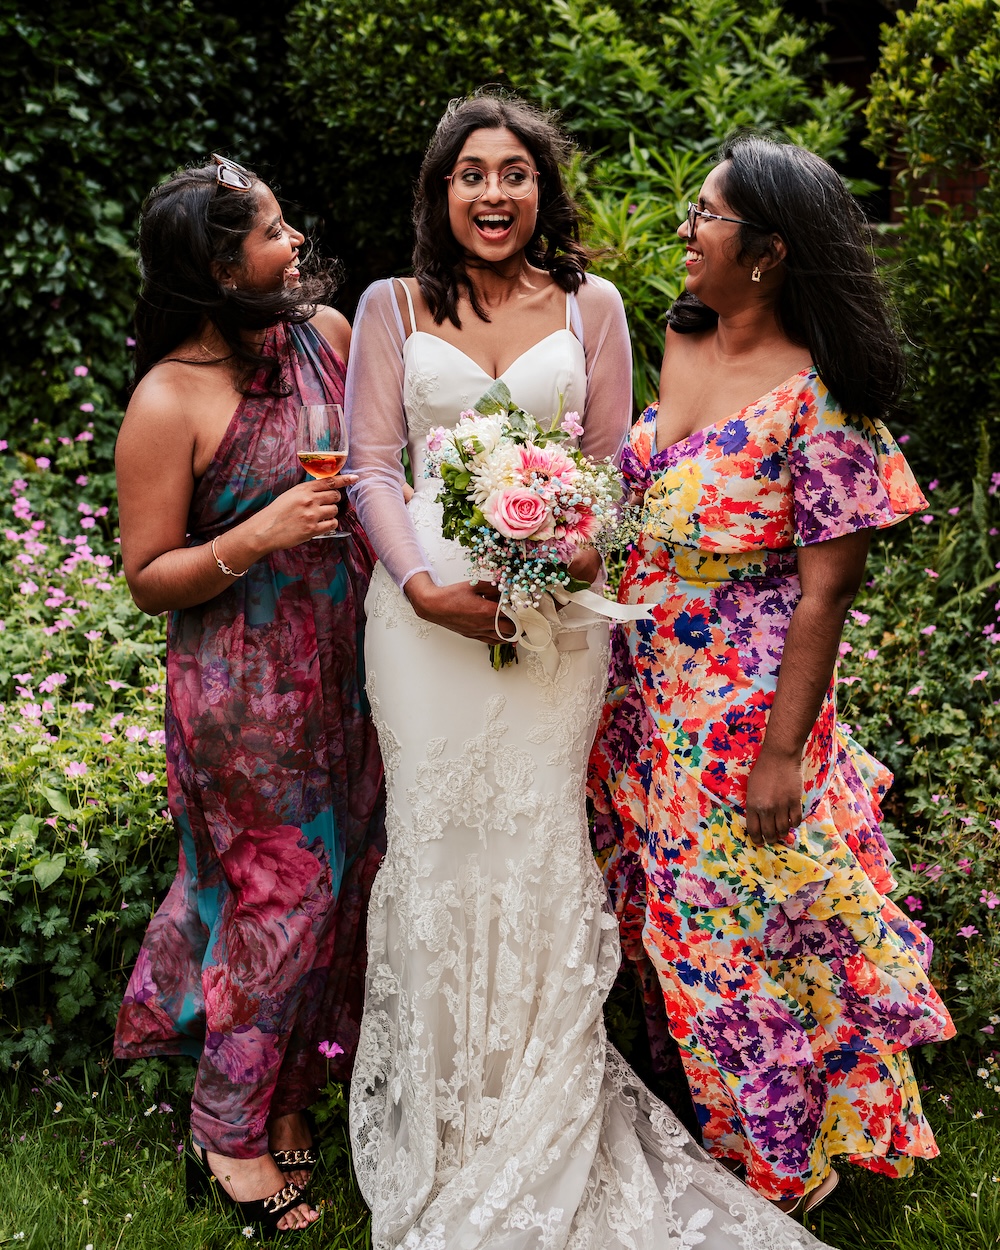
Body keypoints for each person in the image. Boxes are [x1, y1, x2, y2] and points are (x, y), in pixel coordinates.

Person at [345, 93, 834, 1250]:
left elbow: (619, 473)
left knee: (533, 846)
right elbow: (371, 464)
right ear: (439, 192)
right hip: (419, 621)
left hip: (557, 625)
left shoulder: (595, 304)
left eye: (514, 172)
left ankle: (542, 1116)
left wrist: (559, 558)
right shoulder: (390, 304)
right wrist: (424, 587)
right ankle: (449, 1124)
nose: (494, 194)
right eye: (470, 174)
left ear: (542, 188)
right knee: (438, 842)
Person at [589, 132, 956, 1217]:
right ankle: (725, 1123)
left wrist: (782, 752)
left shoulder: (819, 397)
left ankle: (779, 1171)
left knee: (731, 939)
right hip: (646, 692)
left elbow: (824, 593)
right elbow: (639, 499)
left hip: (741, 712)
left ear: (767, 252)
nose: (685, 229)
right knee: (676, 923)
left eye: (705, 213)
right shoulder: (682, 332)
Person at [113, 155, 385, 1239]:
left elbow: (383, 469)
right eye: (272, 233)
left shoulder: (326, 336)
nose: (295, 244)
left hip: (354, 670)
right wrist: (255, 533)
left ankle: (284, 1100)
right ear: (222, 269)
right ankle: (225, 1133)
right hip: (241, 698)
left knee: (347, 886)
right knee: (280, 906)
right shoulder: (169, 397)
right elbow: (145, 577)